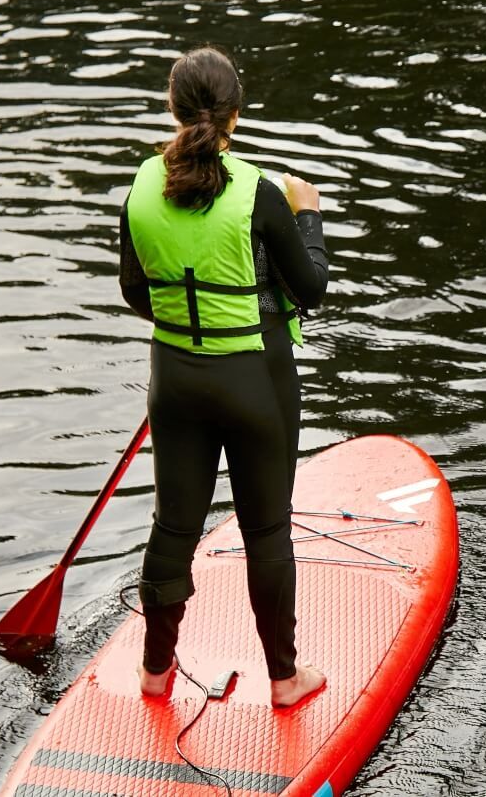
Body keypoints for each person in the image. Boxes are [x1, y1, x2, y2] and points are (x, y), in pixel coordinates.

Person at [117, 46, 330, 708]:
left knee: (172, 528)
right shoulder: (261, 193)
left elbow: (134, 293)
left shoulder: (141, 185)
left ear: (170, 106)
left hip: (175, 380)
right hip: (254, 382)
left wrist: (191, 324)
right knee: (266, 530)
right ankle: (285, 680)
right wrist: (307, 214)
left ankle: (154, 673)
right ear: (236, 114)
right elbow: (312, 288)